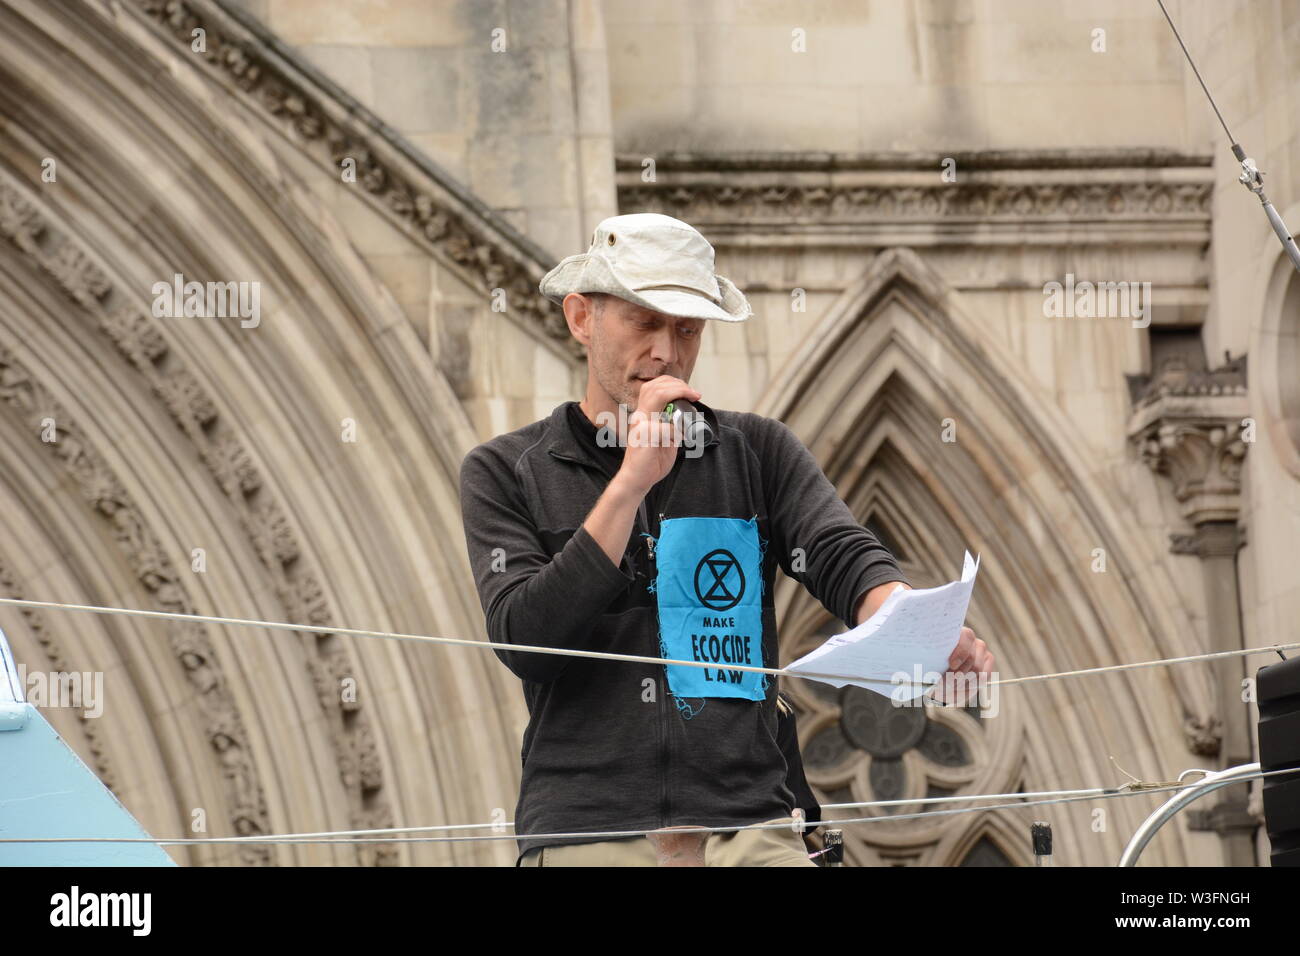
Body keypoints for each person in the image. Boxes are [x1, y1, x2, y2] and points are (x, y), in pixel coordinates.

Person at [457, 213, 994, 866]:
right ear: (581, 319)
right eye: (644, 320)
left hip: (751, 828)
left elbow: (842, 556)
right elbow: (525, 640)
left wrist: (919, 629)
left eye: (686, 328)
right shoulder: (503, 470)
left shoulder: (755, 451)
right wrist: (627, 488)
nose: (665, 351)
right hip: (589, 836)